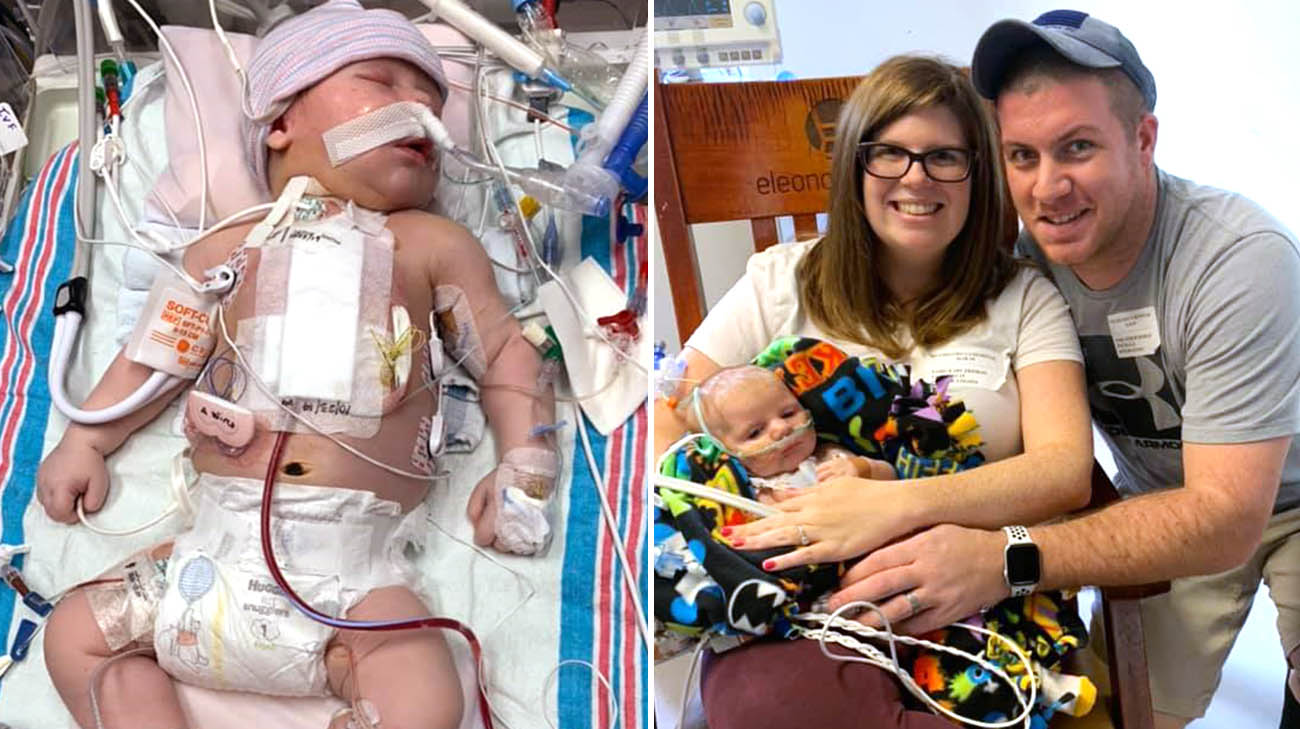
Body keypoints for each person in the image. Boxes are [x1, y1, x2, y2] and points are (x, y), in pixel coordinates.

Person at [34, 3, 556, 728]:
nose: (418, 113)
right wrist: (86, 440)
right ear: (279, 124)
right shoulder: (226, 250)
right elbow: (152, 357)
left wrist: (525, 470)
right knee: (75, 636)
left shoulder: (430, 245)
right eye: (383, 82)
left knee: (428, 696)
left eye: (433, 105)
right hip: (208, 557)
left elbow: (503, 352)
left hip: (354, 582)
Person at [825, 11, 1300, 729]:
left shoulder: (1239, 260)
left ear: (1143, 139)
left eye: (1077, 148)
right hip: (1160, 498)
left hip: (1283, 496)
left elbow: (1226, 517)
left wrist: (1003, 558)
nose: (1048, 189)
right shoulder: (1022, 266)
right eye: (1022, 156)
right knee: (1105, 712)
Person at [653, 54, 1093, 728]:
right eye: (890, 154)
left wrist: (887, 502)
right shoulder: (782, 280)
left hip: (967, 582)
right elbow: (669, 415)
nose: (916, 178)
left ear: (979, 176)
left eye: (945, 156)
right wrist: (753, 518)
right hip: (797, 599)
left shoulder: (1024, 298)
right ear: (854, 168)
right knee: (767, 705)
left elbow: (1065, 471)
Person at [678, 363, 897, 493]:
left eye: (788, 413)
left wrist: (861, 468)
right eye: (755, 432)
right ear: (724, 452)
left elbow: (892, 479)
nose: (781, 428)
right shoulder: (746, 488)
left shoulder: (829, 457)